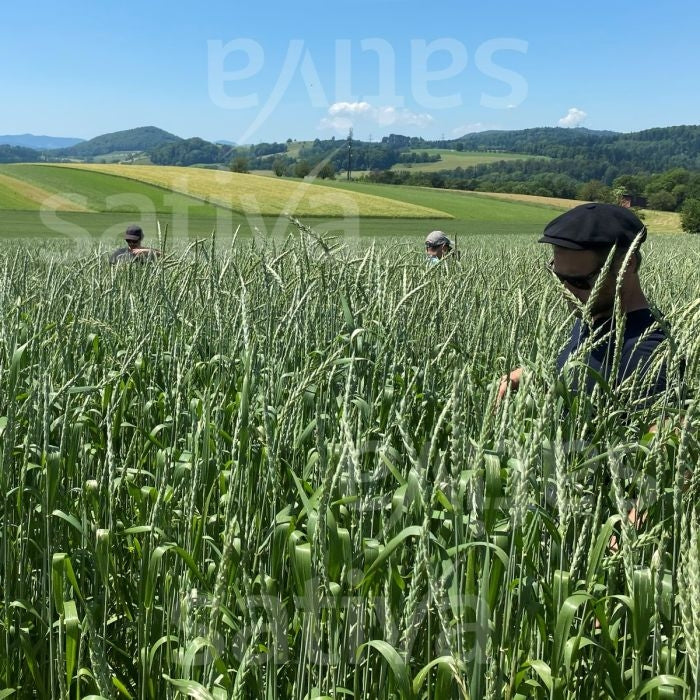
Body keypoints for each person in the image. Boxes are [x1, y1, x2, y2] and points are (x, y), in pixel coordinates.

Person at [498, 203, 668, 403]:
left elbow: (661, 433)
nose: (566, 290)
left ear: (626, 265)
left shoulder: (647, 352)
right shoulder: (594, 315)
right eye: (558, 277)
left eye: (579, 281)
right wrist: (527, 374)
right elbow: (577, 376)